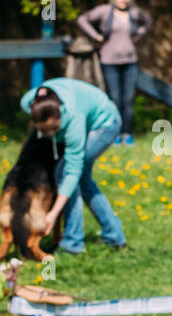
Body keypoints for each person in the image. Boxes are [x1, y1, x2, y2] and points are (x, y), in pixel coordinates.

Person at [19, 78, 127, 252]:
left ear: (60, 116)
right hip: (84, 115)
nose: (50, 134)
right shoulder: (28, 103)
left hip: (104, 124)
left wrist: (53, 214)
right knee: (83, 181)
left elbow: (71, 172)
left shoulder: (74, 118)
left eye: (55, 129)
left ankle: (73, 242)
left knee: (65, 173)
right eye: (44, 131)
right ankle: (114, 236)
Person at [75, 0, 152, 146]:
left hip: (130, 61)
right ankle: (115, 133)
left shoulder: (133, 12)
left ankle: (127, 133)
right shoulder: (104, 11)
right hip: (109, 61)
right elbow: (82, 20)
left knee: (128, 99)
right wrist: (96, 36)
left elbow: (148, 21)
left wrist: (140, 33)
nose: (124, 0)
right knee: (115, 98)